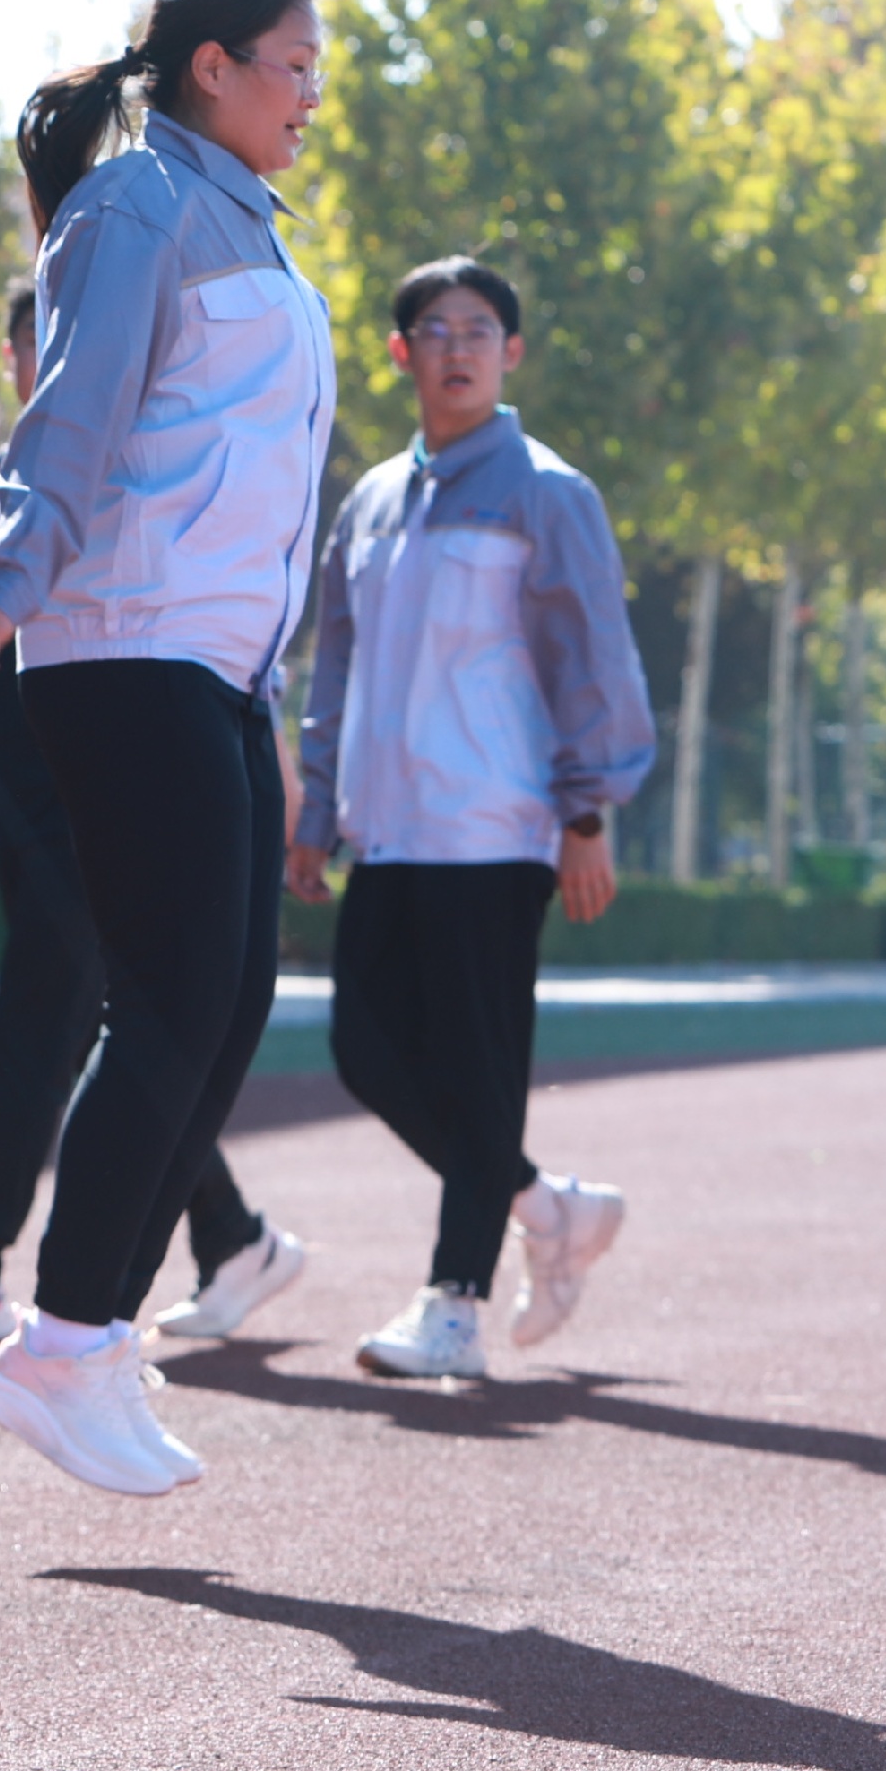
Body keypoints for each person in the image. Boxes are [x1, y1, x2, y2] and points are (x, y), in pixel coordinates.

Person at [0, 0, 334, 1499]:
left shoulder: (245, 221)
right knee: (169, 1001)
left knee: (224, 1006)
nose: (311, 96)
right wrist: (3, 584)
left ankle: (88, 1338)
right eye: (294, 65)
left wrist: (269, 695)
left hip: (218, 664)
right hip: (124, 642)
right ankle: (65, 1336)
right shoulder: (135, 207)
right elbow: (75, 412)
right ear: (212, 66)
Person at [0, 282, 309, 1348]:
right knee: (105, 1020)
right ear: (13, 363)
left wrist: (269, 761)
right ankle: (231, 1235)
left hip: (129, 772)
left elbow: (222, 627)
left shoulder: (156, 471)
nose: (58, 357)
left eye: (75, 336)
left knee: (49, 1017)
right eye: (35, 343)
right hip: (28, 785)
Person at [285, 256, 655, 1383]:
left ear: (512, 353)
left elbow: (593, 657)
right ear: (401, 353)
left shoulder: (548, 493)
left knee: (480, 1068)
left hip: (497, 826)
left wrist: (585, 812)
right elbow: (334, 664)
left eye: (480, 330)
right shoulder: (370, 503)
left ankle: (455, 1306)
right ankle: (546, 1207)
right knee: (364, 1051)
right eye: (436, 330)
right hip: (390, 827)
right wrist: (315, 804)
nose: (458, 348)